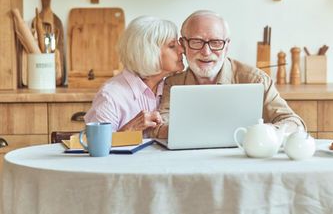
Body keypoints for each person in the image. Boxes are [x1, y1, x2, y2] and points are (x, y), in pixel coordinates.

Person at [159, 10, 305, 132]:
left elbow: (294, 123)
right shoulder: (173, 83)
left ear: (227, 46)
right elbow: (161, 123)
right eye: (197, 42)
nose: (206, 52)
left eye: (216, 43)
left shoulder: (256, 80)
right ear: (183, 44)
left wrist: (268, 131)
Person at [84, 16, 184, 137]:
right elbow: (95, 146)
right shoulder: (111, 96)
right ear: (149, 52)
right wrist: (131, 129)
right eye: (172, 45)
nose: (182, 49)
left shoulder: (172, 88)